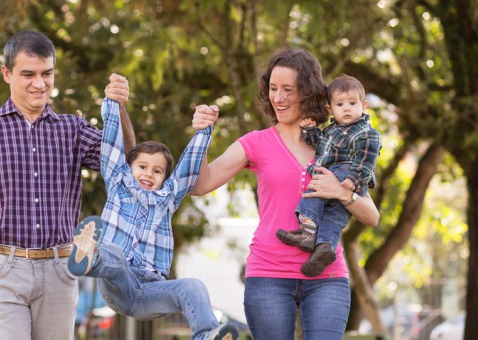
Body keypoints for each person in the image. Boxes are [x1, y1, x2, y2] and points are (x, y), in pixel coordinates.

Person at [0, 30, 135, 340]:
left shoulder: (73, 130)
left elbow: (128, 160)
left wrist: (121, 108)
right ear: (7, 73)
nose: (40, 83)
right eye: (28, 74)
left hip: (60, 270)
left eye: (47, 73)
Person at [190, 48, 380, 340]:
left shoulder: (336, 143)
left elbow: (372, 216)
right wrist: (202, 136)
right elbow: (201, 184)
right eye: (272, 89)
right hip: (268, 276)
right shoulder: (256, 143)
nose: (278, 98)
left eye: (288, 90)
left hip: (326, 277)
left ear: (308, 92)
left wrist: (341, 193)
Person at [67, 98, 239, 340]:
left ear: (165, 178)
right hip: (119, 285)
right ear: (129, 168)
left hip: (150, 292)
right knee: (114, 254)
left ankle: (207, 335)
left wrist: (205, 129)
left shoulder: (168, 199)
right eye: (142, 167)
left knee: (193, 287)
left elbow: (188, 167)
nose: (148, 173)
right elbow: (111, 144)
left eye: (157, 171)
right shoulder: (118, 182)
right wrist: (113, 102)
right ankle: (89, 258)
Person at [275, 74, 382, 277]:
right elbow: (321, 147)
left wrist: (355, 178)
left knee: (314, 191)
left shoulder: (367, 132)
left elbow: (367, 158)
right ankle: (324, 248)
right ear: (330, 110)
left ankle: (307, 230)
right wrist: (310, 131)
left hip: (347, 174)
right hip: (339, 178)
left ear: (364, 105)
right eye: (340, 104)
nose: (347, 108)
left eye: (352, 103)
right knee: (334, 218)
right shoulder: (332, 130)